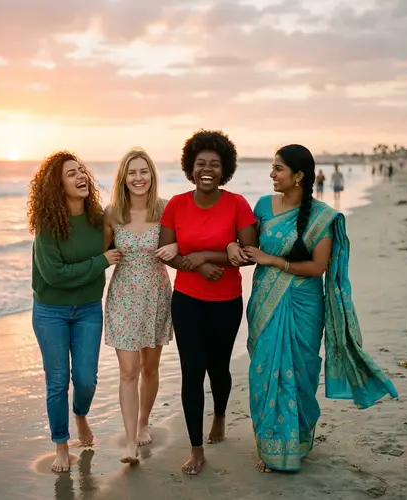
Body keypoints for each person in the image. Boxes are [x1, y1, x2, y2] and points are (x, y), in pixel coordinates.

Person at [227, 144, 398, 473]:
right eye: (272, 168)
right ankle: (272, 446)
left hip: (305, 304)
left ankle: (297, 444)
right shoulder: (263, 205)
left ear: (299, 176)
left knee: (302, 375)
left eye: (278, 168)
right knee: (265, 369)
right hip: (265, 302)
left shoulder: (323, 217)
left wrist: (273, 260)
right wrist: (231, 246)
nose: (271, 174)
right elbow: (243, 243)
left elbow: (318, 267)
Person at [158, 129, 257, 475]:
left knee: (219, 368)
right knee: (191, 372)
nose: (207, 169)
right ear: (191, 167)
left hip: (226, 302)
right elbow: (168, 253)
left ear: (224, 168)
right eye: (201, 163)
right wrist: (195, 263)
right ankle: (196, 448)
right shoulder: (176, 205)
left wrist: (203, 255)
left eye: (215, 164)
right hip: (186, 300)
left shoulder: (237, 204)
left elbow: (248, 254)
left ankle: (219, 415)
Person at [28, 151, 121, 473]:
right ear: (57, 185)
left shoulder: (98, 220)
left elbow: (126, 242)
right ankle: (61, 445)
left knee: (86, 379)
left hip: (88, 310)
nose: (81, 176)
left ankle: (81, 414)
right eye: (71, 173)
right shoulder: (47, 226)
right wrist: (99, 263)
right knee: (57, 382)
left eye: (82, 170)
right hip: (50, 312)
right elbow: (54, 274)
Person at [103, 147, 176, 465]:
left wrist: (175, 245)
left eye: (143, 171)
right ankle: (131, 441)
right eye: (131, 172)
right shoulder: (112, 212)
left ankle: (144, 421)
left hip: (156, 295)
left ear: (152, 175)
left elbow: (182, 245)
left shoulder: (166, 209)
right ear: (123, 177)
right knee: (129, 371)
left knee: (150, 368)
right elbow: (100, 251)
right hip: (122, 297)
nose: (138, 178)